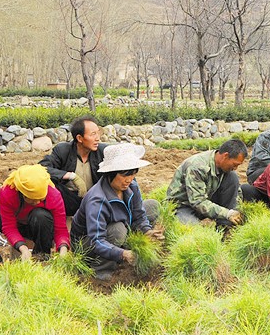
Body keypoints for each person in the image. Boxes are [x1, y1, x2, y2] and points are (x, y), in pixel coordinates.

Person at [72, 143, 163, 280]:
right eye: (124, 175)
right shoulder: (97, 199)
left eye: (133, 174)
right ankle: (101, 269)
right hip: (88, 243)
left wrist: (147, 231)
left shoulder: (131, 184)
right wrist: (124, 254)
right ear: (111, 173)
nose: (129, 179)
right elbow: (96, 240)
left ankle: (125, 246)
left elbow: (138, 214)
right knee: (118, 230)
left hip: (120, 227)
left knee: (152, 206)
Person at [0, 165, 69, 263]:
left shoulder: (53, 194)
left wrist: (63, 249)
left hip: (39, 226)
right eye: (32, 199)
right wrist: (23, 249)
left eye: (41, 199)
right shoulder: (8, 191)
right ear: (21, 193)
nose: (37, 202)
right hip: (17, 222)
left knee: (40, 215)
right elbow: (9, 226)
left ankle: (41, 256)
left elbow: (60, 229)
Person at [166, 139, 247, 229]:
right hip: (183, 205)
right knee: (192, 230)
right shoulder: (197, 166)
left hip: (207, 198)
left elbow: (236, 193)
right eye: (235, 164)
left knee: (233, 177)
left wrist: (237, 213)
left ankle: (225, 227)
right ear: (226, 156)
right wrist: (227, 213)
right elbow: (197, 201)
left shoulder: (225, 167)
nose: (235, 168)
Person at [39, 117, 108, 216]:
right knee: (52, 185)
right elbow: (42, 168)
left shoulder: (103, 151)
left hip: (96, 200)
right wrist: (71, 176)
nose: (98, 138)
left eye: (98, 133)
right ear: (79, 138)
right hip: (69, 201)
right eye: (93, 134)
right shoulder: (63, 150)